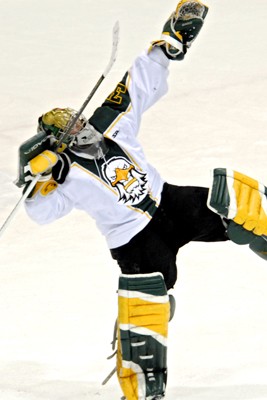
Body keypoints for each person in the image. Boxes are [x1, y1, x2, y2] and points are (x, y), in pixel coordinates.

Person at [19, 1, 267, 399]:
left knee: (238, 203)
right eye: (69, 127)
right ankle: (140, 387)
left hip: (170, 204)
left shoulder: (110, 123)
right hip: (135, 240)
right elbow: (41, 213)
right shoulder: (61, 175)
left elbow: (137, 83)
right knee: (147, 313)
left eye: (78, 119)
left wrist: (169, 41)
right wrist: (34, 182)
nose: (81, 126)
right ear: (56, 141)